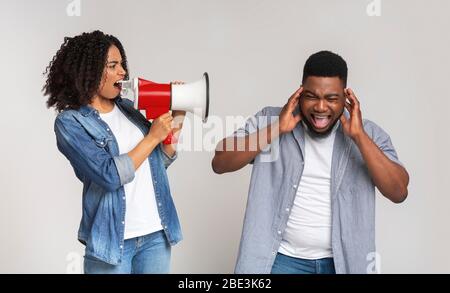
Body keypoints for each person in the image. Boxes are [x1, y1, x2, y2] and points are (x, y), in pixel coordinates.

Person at [212, 51, 409, 274]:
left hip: (343, 264)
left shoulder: (368, 133)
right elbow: (220, 161)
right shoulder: (270, 120)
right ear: (299, 92)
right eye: (312, 96)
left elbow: (399, 191)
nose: (321, 108)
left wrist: (359, 137)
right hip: (279, 261)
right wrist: (277, 128)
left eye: (332, 98)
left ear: (346, 98)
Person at [43, 30, 185, 274]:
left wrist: (179, 112)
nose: (123, 72)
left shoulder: (128, 109)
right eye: (113, 65)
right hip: (112, 242)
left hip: (155, 235)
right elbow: (109, 175)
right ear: (88, 71)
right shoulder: (71, 123)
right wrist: (152, 137)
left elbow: (158, 161)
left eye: (122, 64)